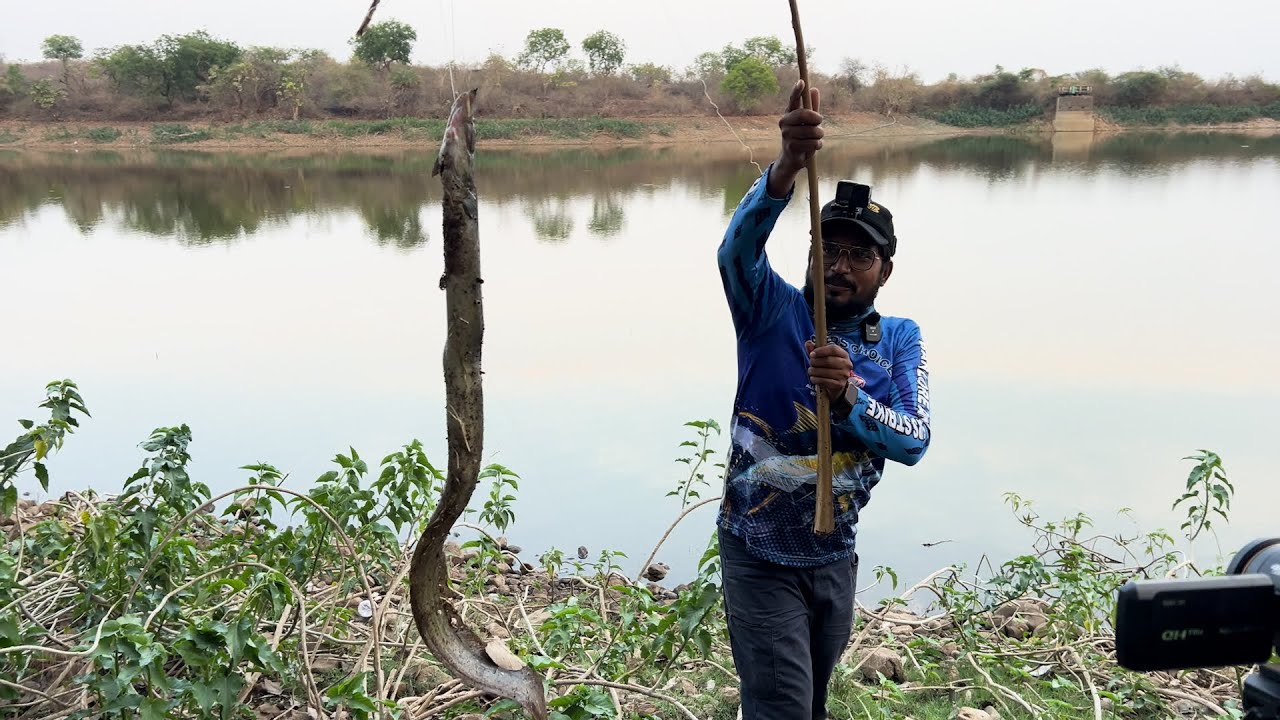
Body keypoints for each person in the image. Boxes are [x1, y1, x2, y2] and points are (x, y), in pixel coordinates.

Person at [715, 80, 932, 719]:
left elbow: (914, 439)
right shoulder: (770, 311)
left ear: (883, 270)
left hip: (835, 554)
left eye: (857, 255)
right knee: (781, 703)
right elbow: (736, 251)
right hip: (758, 549)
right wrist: (784, 168)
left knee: (808, 704)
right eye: (826, 249)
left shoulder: (897, 340)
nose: (838, 265)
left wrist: (848, 399)